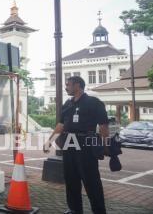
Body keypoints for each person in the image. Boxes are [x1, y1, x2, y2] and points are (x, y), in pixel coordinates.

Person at [43, 76, 109, 214]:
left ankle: (99, 211)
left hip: (86, 144)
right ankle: (74, 209)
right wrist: (49, 141)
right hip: (69, 143)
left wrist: (105, 145)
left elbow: (103, 125)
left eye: (68, 85)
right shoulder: (67, 104)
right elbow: (61, 125)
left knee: (91, 181)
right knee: (71, 179)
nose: (66, 87)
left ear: (77, 85)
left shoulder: (94, 102)